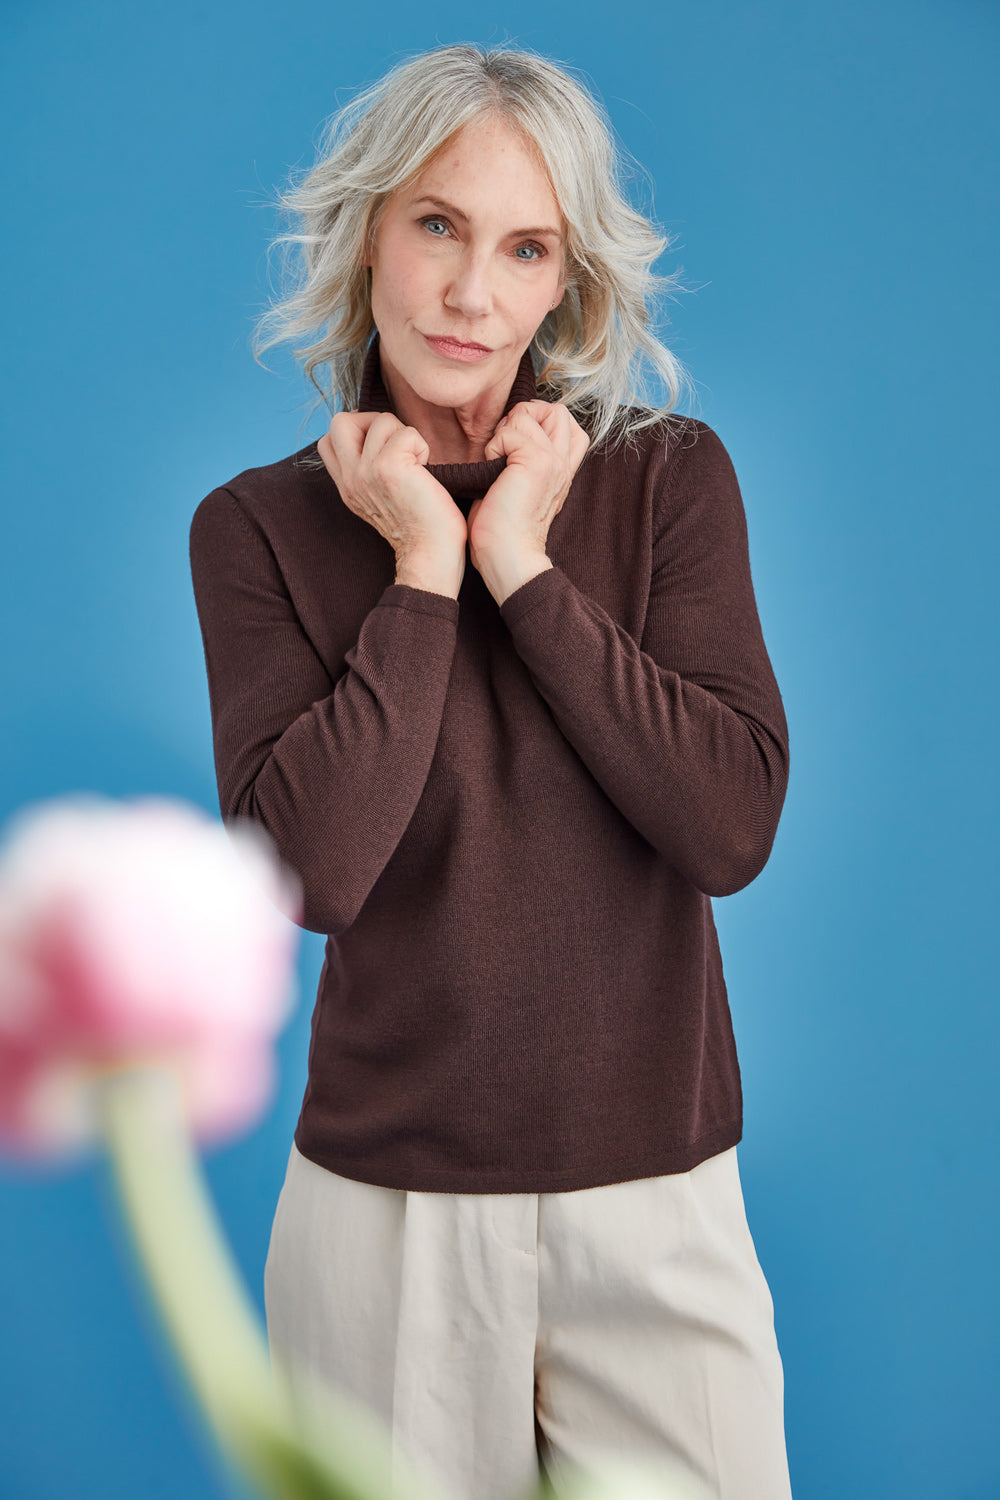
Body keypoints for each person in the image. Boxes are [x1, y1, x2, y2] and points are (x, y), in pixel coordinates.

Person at [188, 41, 793, 1500]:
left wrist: (520, 558)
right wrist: (420, 564)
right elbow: (312, 873)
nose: (473, 293)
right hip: (383, 1219)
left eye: (523, 247)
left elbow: (727, 822)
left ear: (564, 278)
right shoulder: (256, 529)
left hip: (657, 1197)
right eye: (439, 226)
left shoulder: (666, 479)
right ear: (368, 233)